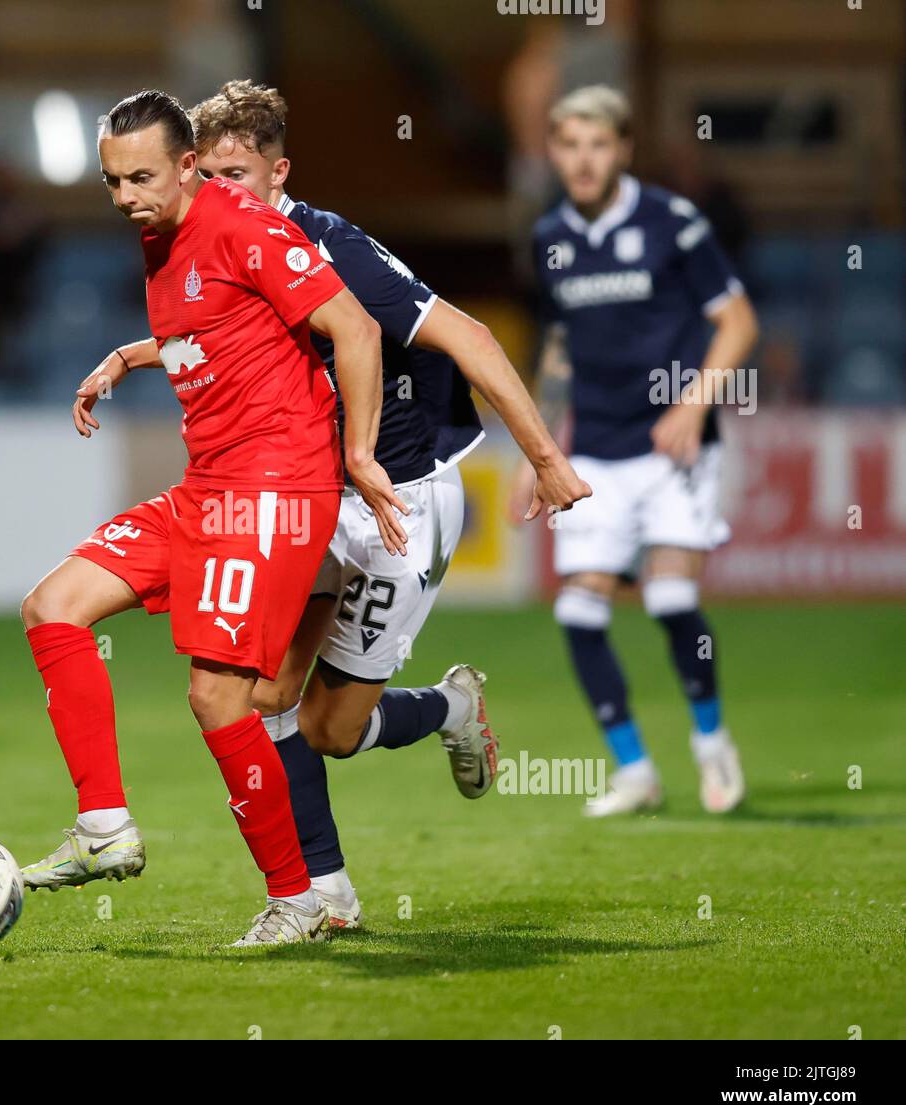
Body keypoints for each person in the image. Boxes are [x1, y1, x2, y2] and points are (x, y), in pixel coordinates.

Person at [105, 80, 590, 927]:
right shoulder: (219, 238)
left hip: (403, 493)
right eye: (207, 176)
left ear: (278, 173)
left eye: (237, 174)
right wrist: (133, 354)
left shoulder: (329, 248)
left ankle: (451, 706)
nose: (221, 191)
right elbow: (212, 333)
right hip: (312, 494)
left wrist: (545, 459)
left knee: (332, 727)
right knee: (266, 697)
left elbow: (470, 338)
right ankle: (325, 892)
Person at [18, 90, 407, 946]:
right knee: (53, 606)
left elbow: (356, 330)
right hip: (210, 485)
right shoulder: (163, 238)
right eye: (112, 181)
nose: (125, 198)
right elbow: (221, 330)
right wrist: (130, 353)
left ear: (188, 163)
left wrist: (361, 456)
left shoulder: (247, 225)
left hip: (274, 487)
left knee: (218, 697)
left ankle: (297, 899)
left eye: (142, 177)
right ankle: (103, 826)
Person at [514, 85, 759, 816]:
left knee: (672, 596)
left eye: (598, 145)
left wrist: (691, 405)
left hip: (674, 447)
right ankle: (634, 771)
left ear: (622, 149)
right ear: (553, 152)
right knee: (578, 616)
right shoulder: (548, 236)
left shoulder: (673, 223)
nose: (583, 160)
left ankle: (712, 744)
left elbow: (739, 322)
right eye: (569, 145)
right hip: (595, 449)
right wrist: (539, 449)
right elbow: (558, 347)